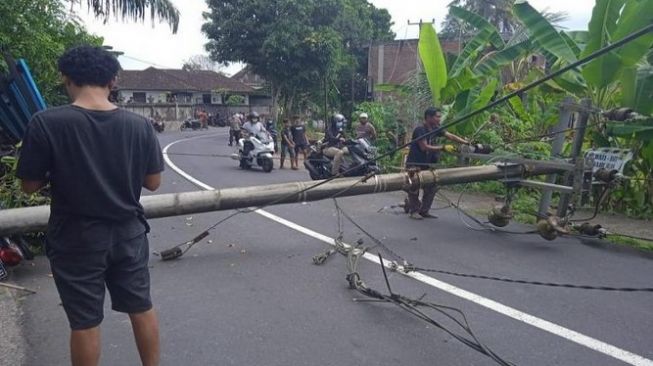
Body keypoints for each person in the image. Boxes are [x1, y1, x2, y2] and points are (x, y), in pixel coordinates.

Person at [16, 46, 163, 366]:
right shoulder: (139, 126)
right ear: (112, 81)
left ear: (66, 79)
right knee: (141, 307)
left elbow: (29, 185)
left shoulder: (46, 123)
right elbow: (153, 182)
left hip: (75, 237)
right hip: (129, 233)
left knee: (84, 321)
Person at [405, 107, 468, 219]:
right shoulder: (420, 129)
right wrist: (442, 148)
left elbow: (450, 136)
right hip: (415, 163)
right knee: (414, 186)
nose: (439, 119)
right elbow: (424, 147)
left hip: (428, 164)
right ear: (429, 117)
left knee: (431, 187)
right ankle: (414, 211)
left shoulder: (436, 128)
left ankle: (424, 210)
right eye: (437, 116)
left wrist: (466, 142)